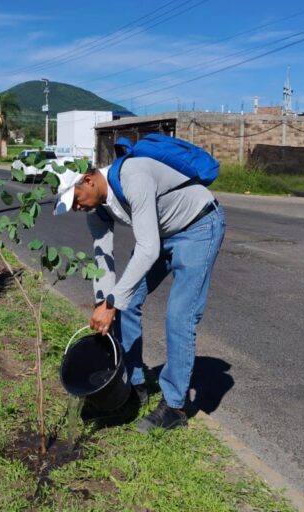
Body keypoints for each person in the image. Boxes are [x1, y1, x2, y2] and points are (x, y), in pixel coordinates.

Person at [53, 155, 225, 432]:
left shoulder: (133, 177)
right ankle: (134, 386)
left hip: (198, 226)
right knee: (126, 301)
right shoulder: (96, 211)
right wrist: (104, 302)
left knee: (180, 315)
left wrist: (112, 304)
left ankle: (175, 407)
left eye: (75, 200)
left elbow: (148, 250)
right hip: (161, 234)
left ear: (88, 180)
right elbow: (102, 259)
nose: (76, 208)